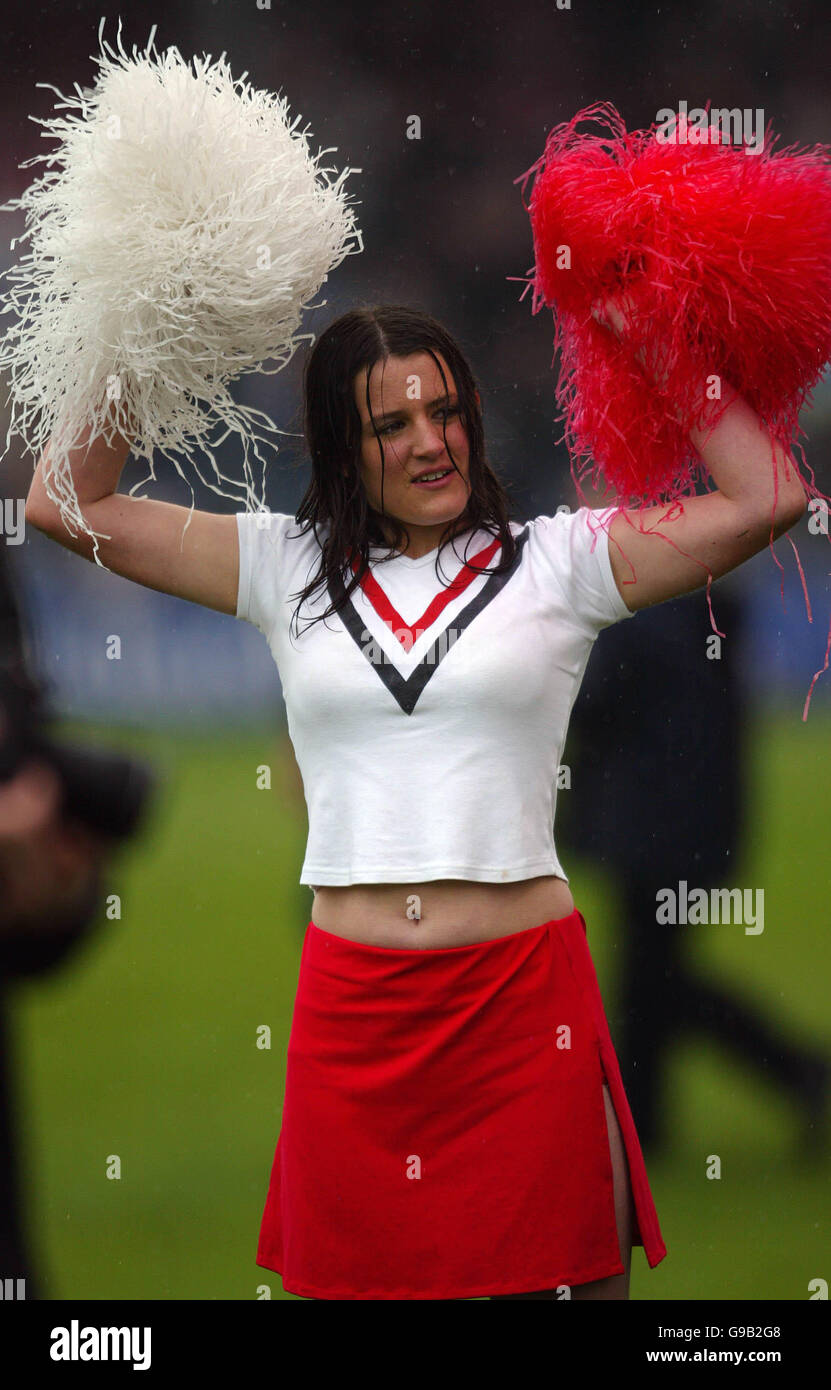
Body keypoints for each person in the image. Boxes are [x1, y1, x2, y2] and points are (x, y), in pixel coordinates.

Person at [24, 303, 807, 1301]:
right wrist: (146, 312)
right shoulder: (282, 564)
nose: (431, 441)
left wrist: (659, 344)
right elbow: (61, 502)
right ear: (346, 448)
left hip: (525, 1015)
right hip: (356, 1022)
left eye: (446, 410)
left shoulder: (556, 562)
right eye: (391, 424)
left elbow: (770, 496)